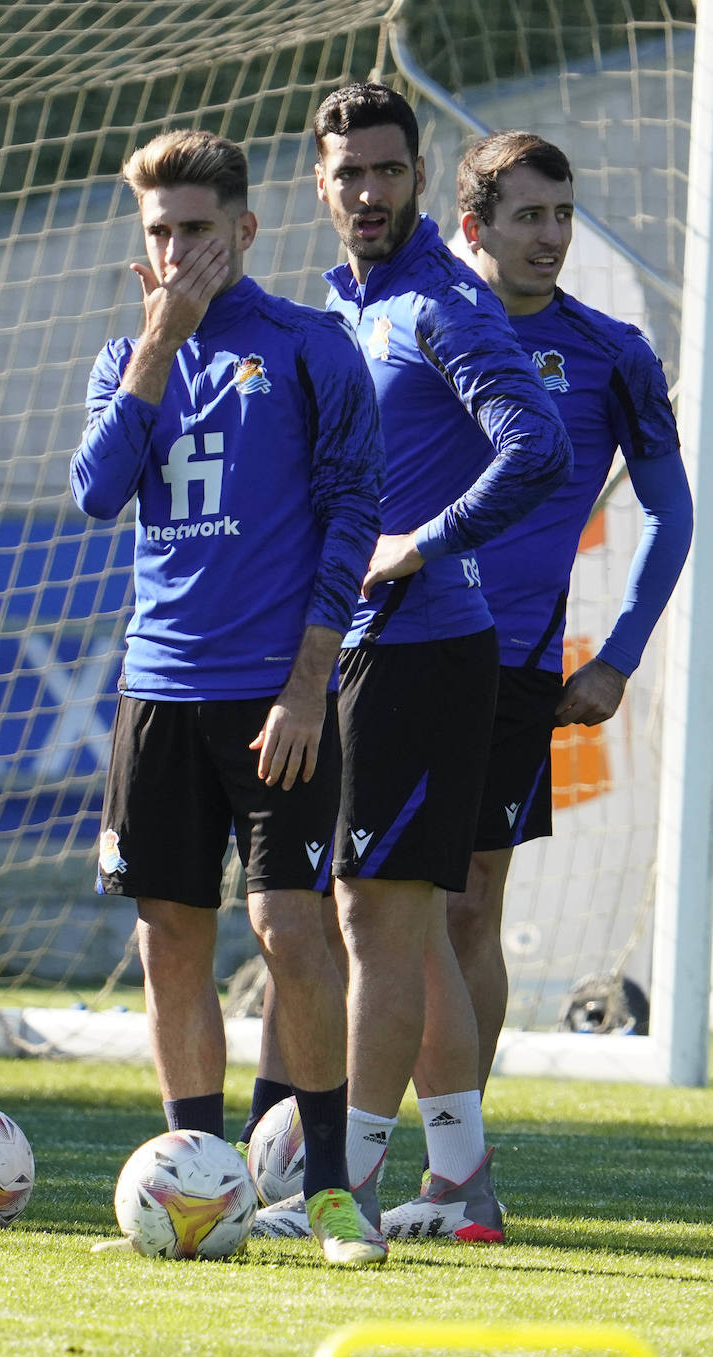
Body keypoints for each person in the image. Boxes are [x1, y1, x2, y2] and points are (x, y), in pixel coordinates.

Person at [250, 83, 573, 1247]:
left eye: (389, 172)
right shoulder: (343, 307)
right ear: (321, 184)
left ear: (421, 178)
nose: (371, 192)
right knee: (395, 924)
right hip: (351, 649)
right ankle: (460, 1182)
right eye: (350, 175)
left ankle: (350, 1190)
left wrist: (422, 544)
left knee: (377, 917)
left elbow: (535, 445)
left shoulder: (441, 301)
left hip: (429, 650)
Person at [70, 129, 388, 1265]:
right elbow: (98, 493)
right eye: (159, 231)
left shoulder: (312, 348)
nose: (177, 248)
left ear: (246, 232)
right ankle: (198, 1182)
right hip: (155, 689)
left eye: (197, 229)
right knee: (167, 936)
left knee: (290, 930)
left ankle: (337, 1194)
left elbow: (354, 516)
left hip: (275, 696)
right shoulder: (127, 358)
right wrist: (159, 343)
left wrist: (312, 686)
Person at [400, 131, 693, 1122]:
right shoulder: (413, 322)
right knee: (374, 912)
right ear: (473, 225)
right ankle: (339, 1143)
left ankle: (453, 1158)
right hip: (383, 650)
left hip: (511, 664)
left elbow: (672, 510)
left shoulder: (614, 357)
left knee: (468, 909)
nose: (553, 235)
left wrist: (616, 658)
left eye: (562, 214)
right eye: (530, 215)